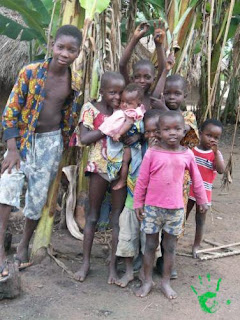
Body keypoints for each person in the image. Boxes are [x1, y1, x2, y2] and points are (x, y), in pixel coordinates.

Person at [0, 25, 82, 278]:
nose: (65, 54)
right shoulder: (31, 72)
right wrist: (12, 149)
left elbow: (69, 115)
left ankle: (23, 245)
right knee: (7, 188)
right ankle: (0, 253)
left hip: (51, 142)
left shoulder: (75, 82)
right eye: (61, 47)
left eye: (71, 50)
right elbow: (11, 111)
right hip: (23, 140)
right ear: (52, 45)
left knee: (37, 198)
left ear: (78, 53)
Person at [134, 111, 208, 299]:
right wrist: (138, 202)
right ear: (158, 132)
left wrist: (202, 199)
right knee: (150, 245)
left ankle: (165, 282)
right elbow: (142, 180)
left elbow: (197, 179)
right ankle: (148, 280)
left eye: (177, 129)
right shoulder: (152, 153)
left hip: (175, 209)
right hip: (152, 208)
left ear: (184, 131)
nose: (172, 133)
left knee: (170, 247)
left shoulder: (187, 154)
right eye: (166, 129)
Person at [73, 71, 127, 284]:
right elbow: (84, 138)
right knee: (93, 215)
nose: (116, 97)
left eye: (120, 93)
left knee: (116, 218)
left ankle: (112, 266)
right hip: (98, 168)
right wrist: (108, 127)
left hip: (120, 169)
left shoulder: (125, 110)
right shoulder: (90, 108)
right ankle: (85, 263)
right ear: (102, 91)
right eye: (112, 92)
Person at [115, 109, 162, 288]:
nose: (151, 135)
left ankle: (144, 271)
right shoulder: (135, 147)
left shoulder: (166, 152)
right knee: (128, 237)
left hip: (153, 205)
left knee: (148, 241)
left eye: (156, 131)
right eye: (147, 131)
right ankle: (128, 272)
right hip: (132, 201)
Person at [186, 119, 225, 258]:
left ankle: (196, 245)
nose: (212, 140)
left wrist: (216, 153)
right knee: (182, 215)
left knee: (200, 219)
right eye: (209, 135)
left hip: (204, 192)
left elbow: (221, 170)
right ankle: (175, 238)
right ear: (200, 133)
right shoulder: (192, 149)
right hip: (188, 189)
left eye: (216, 138)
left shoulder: (216, 154)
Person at [99, 83, 145, 191]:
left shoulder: (132, 113)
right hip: (131, 143)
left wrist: (119, 133)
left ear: (138, 103)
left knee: (125, 162)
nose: (124, 105)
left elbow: (128, 123)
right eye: (123, 101)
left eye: (128, 103)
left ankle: (122, 180)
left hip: (131, 145)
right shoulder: (139, 110)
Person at [119, 21, 166, 110]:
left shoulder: (153, 97)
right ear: (132, 78)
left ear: (154, 79)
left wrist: (159, 45)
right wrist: (135, 39)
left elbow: (163, 71)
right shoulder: (129, 95)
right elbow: (122, 65)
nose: (142, 81)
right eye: (137, 77)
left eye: (147, 77)